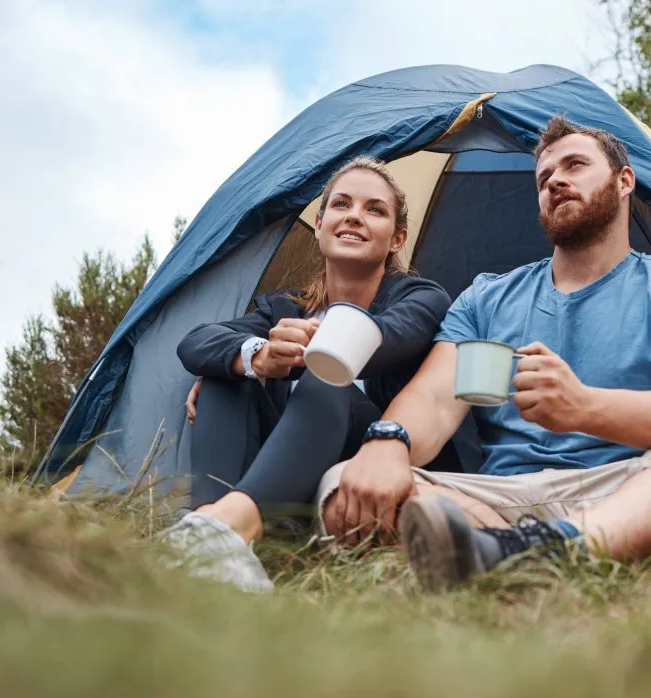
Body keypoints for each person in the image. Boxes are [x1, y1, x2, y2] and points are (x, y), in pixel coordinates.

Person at [318, 117, 651, 592]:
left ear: (624, 181)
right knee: (343, 484)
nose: (555, 180)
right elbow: (434, 401)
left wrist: (586, 409)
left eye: (575, 165)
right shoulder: (489, 299)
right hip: (503, 496)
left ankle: (525, 553)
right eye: (543, 178)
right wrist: (388, 441)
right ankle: (522, 554)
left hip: (634, 485)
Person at [162, 156, 453, 592]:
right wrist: (255, 357)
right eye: (341, 204)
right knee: (226, 373)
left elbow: (383, 340)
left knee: (330, 366)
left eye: (374, 209)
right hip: (286, 466)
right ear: (319, 225)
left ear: (397, 239)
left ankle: (222, 531)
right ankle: (211, 532)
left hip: (371, 461)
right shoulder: (283, 307)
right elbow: (197, 342)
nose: (354, 215)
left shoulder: (420, 296)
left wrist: (293, 353)